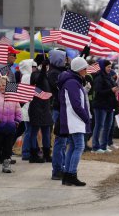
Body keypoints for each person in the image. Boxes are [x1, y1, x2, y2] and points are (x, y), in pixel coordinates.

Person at [58, 57, 91, 186]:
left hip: (72, 119)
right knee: (79, 146)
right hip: (74, 120)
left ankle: (67, 175)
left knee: (72, 146)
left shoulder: (73, 81)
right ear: (79, 69)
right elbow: (76, 104)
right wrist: (86, 117)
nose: (86, 71)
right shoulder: (72, 82)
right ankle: (71, 174)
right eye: (84, 68)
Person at [0, 76, 22, 173]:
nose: (2, 87)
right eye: (0, 85)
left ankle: (6, 163)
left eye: (4, 85)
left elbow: (18, 112)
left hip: (10, 128)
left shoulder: (14, 98)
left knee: (8, 147)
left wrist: (16, 122)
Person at [47, 49, 68, 180]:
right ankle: (57, 170)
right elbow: (60, 87)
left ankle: (62, 166)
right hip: (59, 108)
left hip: (62, 108)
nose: (66, 60)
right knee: (60, 140)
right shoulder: (54, 73)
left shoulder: (59, 71)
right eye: (64, 58)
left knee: (64, 140)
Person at [28, 55, 53, 163]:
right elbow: (38, 80)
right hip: (36, 107)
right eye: (45, 65)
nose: (47, 67)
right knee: (34, 132)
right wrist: (43, 68)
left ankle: (47, 154)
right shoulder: (34, 74)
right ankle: (33, 155)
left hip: (46, 107)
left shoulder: (47, 75)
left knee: (46, 132)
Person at [92, 59, 119, 153]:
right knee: (99, 126)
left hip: (109, 105)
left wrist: (116, 89)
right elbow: (98, 92)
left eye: (110, 67)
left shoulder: (109, 76)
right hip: (100, 105)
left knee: (108, 126)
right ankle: (95, 147)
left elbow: (113, 86)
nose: (109, 69)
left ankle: (103, 146)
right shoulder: (99, 78)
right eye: (108, 67)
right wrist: (111, 90)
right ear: (103, 67)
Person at [18, 59, 36, 160]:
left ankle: (30, 150)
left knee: (29, 131)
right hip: (28, 108)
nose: (34, 69)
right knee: (29, 131)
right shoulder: (28, 77)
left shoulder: (24, 76)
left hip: (27, 107)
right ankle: (26, 152)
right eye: (33, 67)